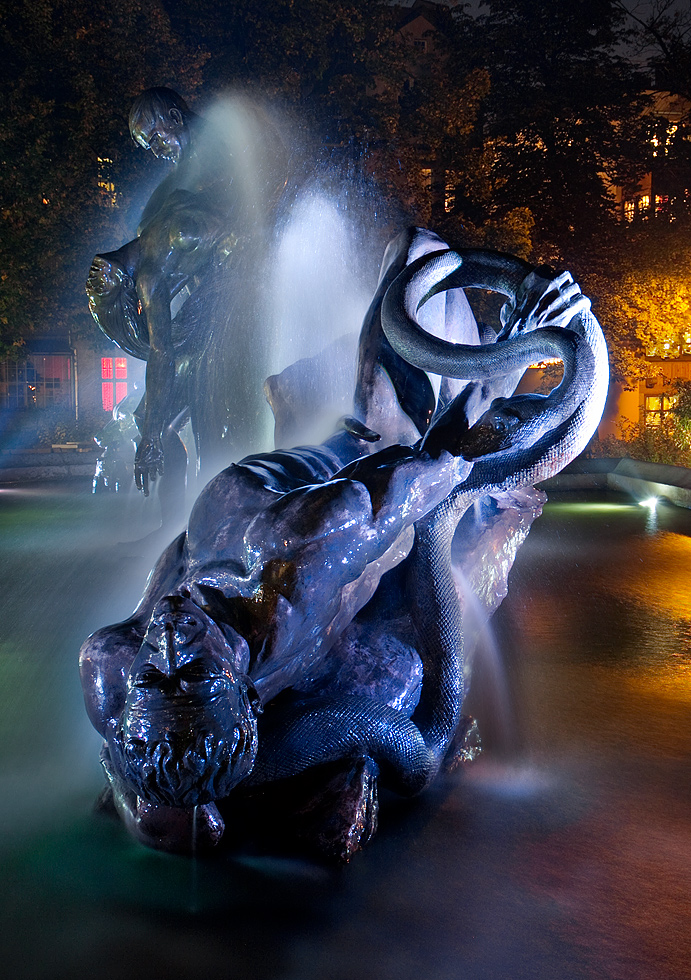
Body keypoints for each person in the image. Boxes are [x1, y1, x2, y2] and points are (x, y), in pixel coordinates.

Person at [86, 88, 286, 513]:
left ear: (175, 117)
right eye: (147, 145)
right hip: (208, 306)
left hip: (245, 286)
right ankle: (178, 520)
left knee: (211, 410)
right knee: (152, 418)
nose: (154, 149)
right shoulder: (154, 241)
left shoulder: (227, 142)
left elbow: (270, 178)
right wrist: (150, 438)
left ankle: (242, 506)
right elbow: (161, 348)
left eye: (154, 137)